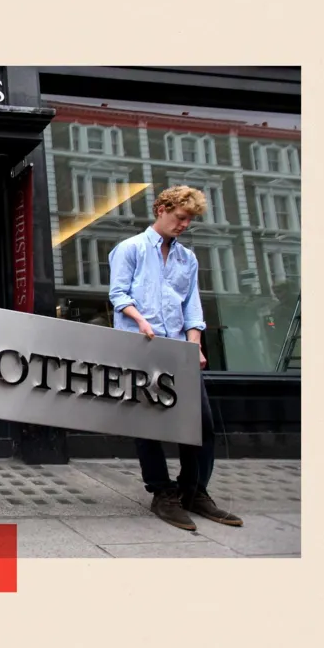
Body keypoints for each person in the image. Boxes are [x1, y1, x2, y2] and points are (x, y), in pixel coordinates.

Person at [107, 185, 243, 531]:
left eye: (189, 220)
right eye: (180, 217)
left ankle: (194, 490)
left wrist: (195, 344)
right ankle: (162, 493)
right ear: (162, 209)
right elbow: (118, 294)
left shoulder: (188, 258)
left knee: (202, 424)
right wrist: (140, 322)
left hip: (180, 349)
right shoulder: (131, 249)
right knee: (148, 424)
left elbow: (191, 307)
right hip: (141, 348)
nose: (184, 225)